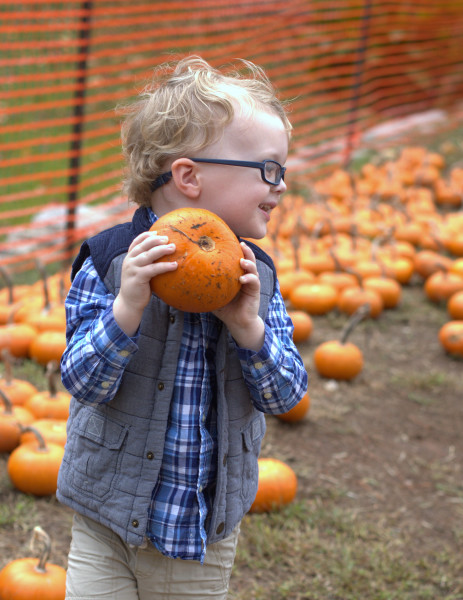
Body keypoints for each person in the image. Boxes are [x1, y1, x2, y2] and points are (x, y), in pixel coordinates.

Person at [57, 55, 308, 600]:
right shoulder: (108, 262)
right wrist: (125, 310)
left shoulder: (255, 276)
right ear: (189, 176)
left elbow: (286, 394)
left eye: (282, 171)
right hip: (105, 519)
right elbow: (80, 382)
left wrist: (249, 330)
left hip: (198, 533)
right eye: (268, 169)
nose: (281, 185)